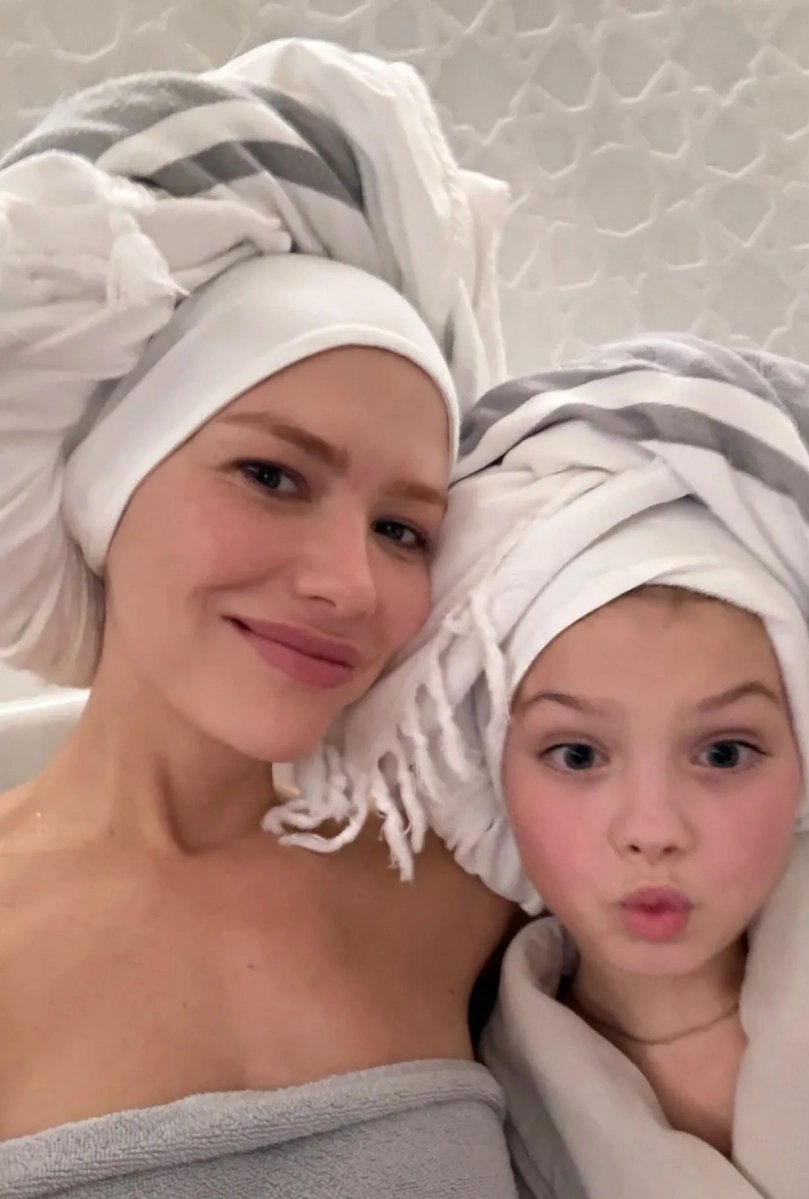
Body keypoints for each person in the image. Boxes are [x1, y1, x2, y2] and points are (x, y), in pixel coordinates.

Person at [0, 39, 518, 1199]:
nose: (348, 582)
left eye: (403, 528)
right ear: (105, 487)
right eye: (272, 476)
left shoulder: (472, 882)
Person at [326, 335, 809, 1198]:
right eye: (576, 754)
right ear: (492, 771)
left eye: (723, 752)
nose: (652, 829)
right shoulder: (467, 1104)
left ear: (805, 755)